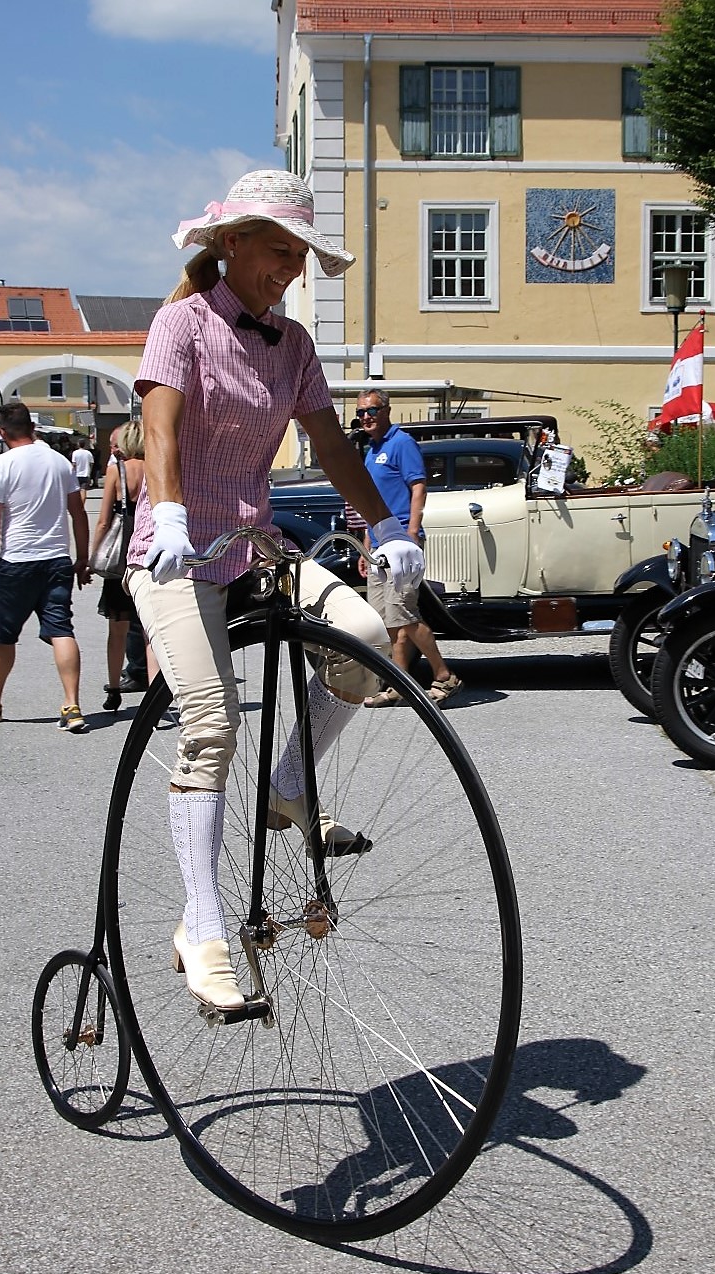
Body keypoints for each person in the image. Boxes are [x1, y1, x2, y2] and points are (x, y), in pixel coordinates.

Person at [125, 168, 424, 1016]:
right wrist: (172, 511)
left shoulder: (291, 344)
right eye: (279, 251)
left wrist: (387, 526)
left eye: (300, 255)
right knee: (211, 723)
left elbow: (331, 445)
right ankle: (202, 925)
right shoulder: (179, 322)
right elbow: (160, 425)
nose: (291, 269)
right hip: (175, 552)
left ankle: (288, 785)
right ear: (232, 243)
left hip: (255, 545)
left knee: (365, 638)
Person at [0, 400, 91, 732]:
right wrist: (82, 558)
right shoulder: (59, 462)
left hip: (16, 560)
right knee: (61, 629)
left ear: (2, 432)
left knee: (4, 635)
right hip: (55, 559)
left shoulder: (1, 464)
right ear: (33, 427)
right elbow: (77, 513)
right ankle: (72, 704)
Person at [356, 387, 463, 708]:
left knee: (405, 615)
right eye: (360, 412)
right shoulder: (371, 450)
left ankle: (445, 676)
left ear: (386, 411)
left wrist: (411, 532)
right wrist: (365, 543)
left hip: (401, 543)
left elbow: (418, 486)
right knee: (387, 622)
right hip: (377, 546)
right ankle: (398, 684)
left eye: (371, 411)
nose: (365, 418)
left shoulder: (401, 443)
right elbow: (370, 501)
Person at [90, 420, 157, 711]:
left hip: (120, 560)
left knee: (116, 629)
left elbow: (104, 520)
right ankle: (157, 695)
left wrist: (92, 557)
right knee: (149, 631)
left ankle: (114, 689)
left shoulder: (116, 471)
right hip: (149, 552)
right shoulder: (156, 468)